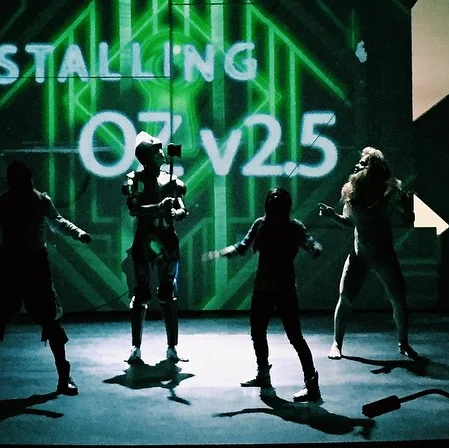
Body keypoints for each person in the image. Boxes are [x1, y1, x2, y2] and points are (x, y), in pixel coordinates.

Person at [0, 160, 91, 395]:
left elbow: (57, 222)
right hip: (13, 264)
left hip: (32, 264)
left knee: (48, 320)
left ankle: (63, 374)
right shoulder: (6, 202)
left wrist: (78, 233)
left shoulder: (38, 201)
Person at [203, 187, 323, 402]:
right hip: (264, 288)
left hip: (283, 289)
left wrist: (314, 247)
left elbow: (309, 241)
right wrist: (220, 253)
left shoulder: (293, 227)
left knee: (294, 337)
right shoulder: (262, 224)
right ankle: (263, 374)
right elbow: (242, 246)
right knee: (258, 332)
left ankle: (311, 384)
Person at [318, 146, 418, 361]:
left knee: (399, 300)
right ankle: (336, 343)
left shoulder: (389, 194)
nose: (357, 165)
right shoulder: (351, 192)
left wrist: (408, 208)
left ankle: (403, 343)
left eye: (363, 163)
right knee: (345, 298)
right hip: (360, 256)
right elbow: (350, 223)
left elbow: (408, 221)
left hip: (384, 255)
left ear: (373, 169)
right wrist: (332, 216)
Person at [121, 131, 188, 364]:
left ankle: (172, 347)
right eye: (156, 150)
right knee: (141, 294)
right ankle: (135, 347)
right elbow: (135, 209)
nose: (161, 153)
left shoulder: (171, 179)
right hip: (145, 239)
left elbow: (182, 208)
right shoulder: (135, 179)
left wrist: (176, 213)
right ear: (146, 156)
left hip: (167, 240)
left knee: (168, 294)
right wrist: (159, 206)